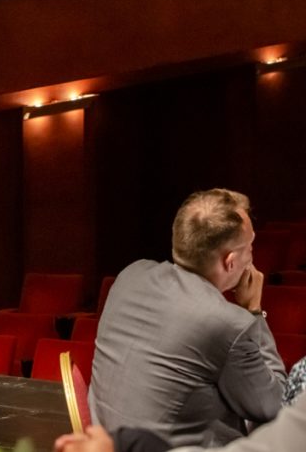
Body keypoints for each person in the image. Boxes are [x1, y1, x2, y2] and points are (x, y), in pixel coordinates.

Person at [90, 188, 286, 447]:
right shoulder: (229, 323)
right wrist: (254, 310)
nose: (252, 255)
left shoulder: (130, 275)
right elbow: (273, 405)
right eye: (250, 246)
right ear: (230, 262)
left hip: (105, 443)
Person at [55, 394, 306, 452]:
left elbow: (270, 406)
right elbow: (272, 403)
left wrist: (124, 445)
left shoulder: (129, 282)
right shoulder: (230, 321)